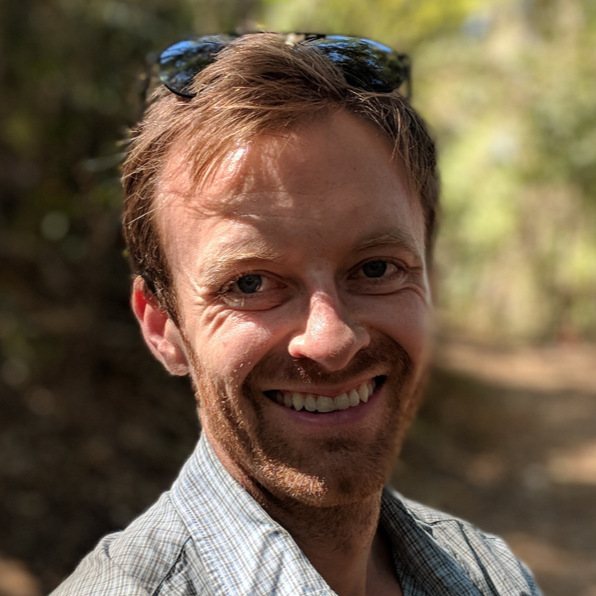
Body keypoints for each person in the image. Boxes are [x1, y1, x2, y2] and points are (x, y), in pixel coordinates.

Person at [51, 33, 541, 596]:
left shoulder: (492, 574)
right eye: (251, 283)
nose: (330, 340)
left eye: (377, 269)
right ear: (163, 326)